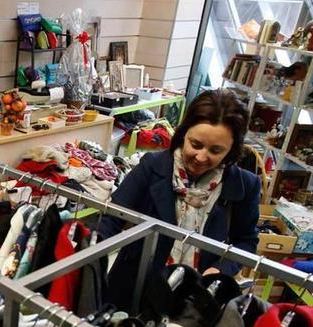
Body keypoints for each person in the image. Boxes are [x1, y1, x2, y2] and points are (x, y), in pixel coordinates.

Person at [98, 89, 260, 309]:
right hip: (134, 288)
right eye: (196, 144)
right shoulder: (153, 166)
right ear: (184, 134)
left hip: (196, 296)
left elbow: (246, 241)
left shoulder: (245, 186)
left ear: (231, 150)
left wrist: (222, 270)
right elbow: (113, 216)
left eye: (216, 150)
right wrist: (88, 253)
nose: (201, 157)